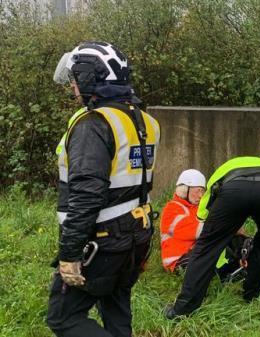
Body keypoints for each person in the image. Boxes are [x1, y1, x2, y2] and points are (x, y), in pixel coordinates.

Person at [47, 41, 160, 337]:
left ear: (88, 78)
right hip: (136, 233)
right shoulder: (142, 119)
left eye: (74, 78)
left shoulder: (94, 123)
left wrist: (69, 254)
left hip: (102, 240)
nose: (72, 86)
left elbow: (86, 194)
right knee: (116, 307)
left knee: (63, 318)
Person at [164, 156, 260, 319]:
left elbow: (205, 213)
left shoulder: (220, 174)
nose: (200, 194)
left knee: (206, 248)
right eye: (197, 190)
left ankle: (182, 310)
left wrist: (211, 226)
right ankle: (251, 296)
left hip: (234, 188)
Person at [160, 169, 207, 272]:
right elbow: (200, 230)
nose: (201, 195)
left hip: (191, 254)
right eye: (197, 190)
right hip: (178, 261)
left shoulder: (196, 208)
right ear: (184, 190)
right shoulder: (172, 209)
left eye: (202, 191)